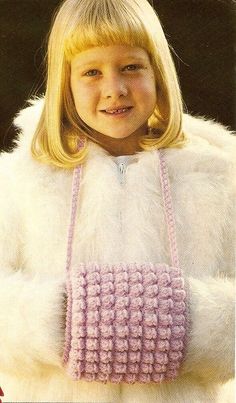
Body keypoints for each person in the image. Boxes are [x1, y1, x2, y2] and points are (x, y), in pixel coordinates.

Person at [0, 0, 235, 401]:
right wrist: (59, 317)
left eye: (131, 67)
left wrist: (189, 320)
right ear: (65, 84)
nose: (115, 89)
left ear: (158, 72)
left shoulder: (218, 177)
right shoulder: (21, 180)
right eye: (92, 71)